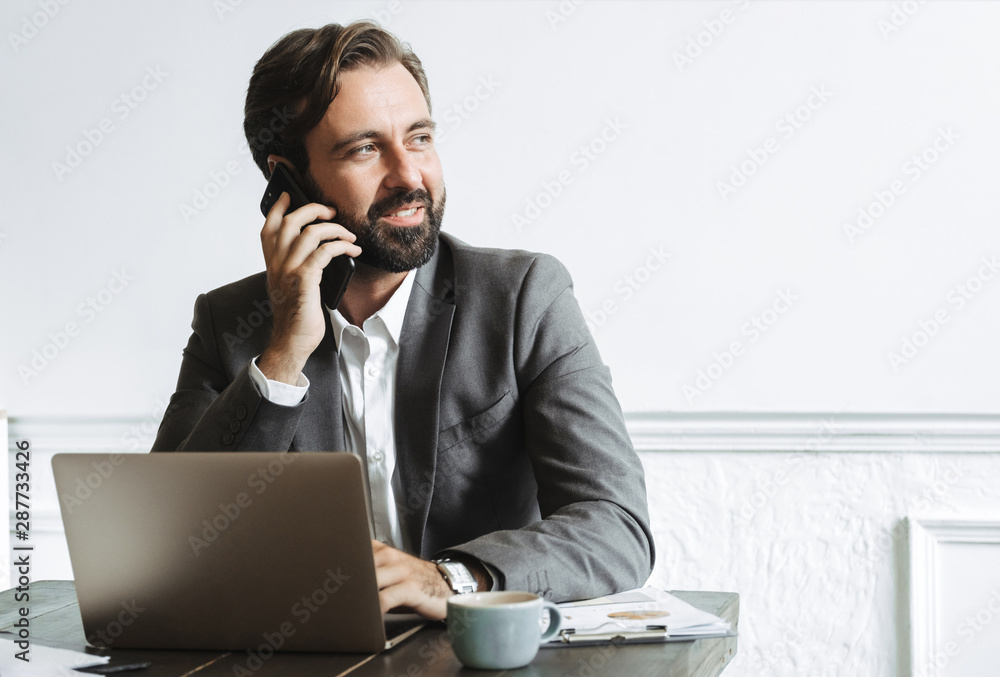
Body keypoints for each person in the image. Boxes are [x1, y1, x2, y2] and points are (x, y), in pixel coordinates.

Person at [152, 20, 654, 621]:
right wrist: (284, 352)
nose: (410, 176)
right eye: (365, 149)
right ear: (286, 179)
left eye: (418, 138)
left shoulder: (524, 298)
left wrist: (450, 579)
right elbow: (168, 551)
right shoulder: (229, 322)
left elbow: (616, 525)